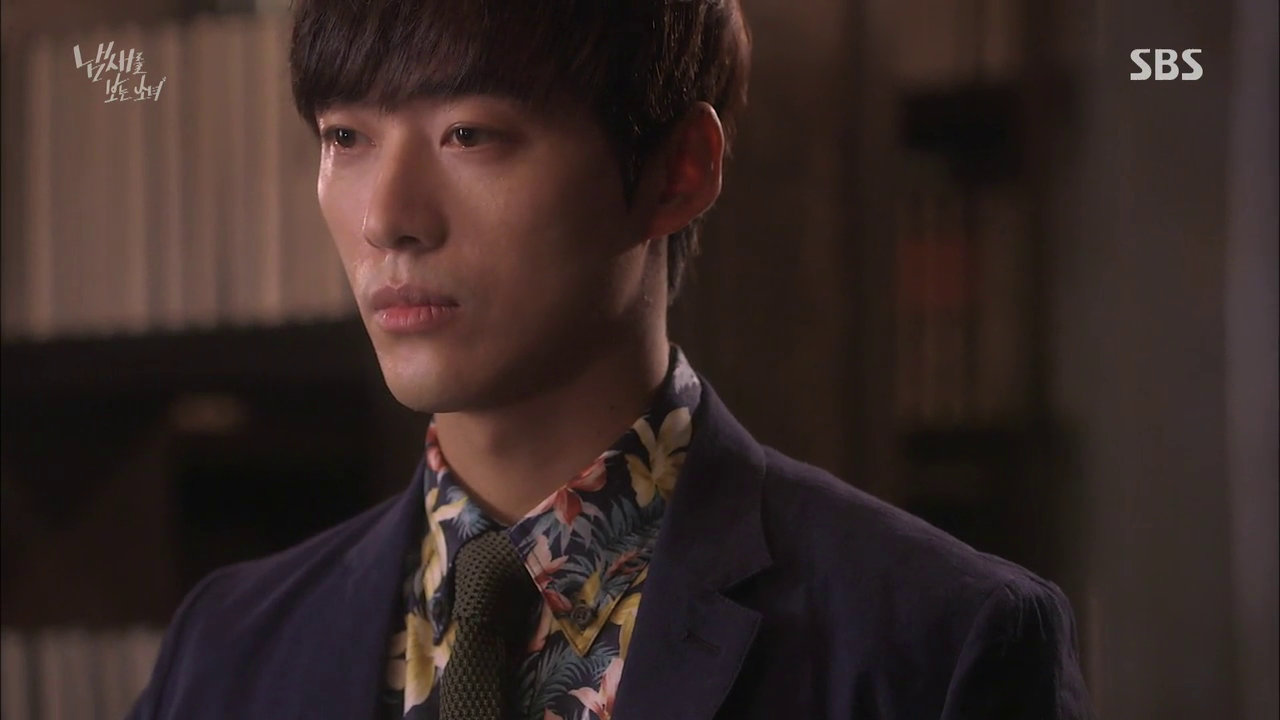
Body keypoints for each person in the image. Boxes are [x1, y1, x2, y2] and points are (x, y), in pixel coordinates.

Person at [128, 0, 1094, 717]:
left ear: (679, 171)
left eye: (469, 134)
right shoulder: (228, 648)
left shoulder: (934, 645)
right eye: (346, 137)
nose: (387, 217)